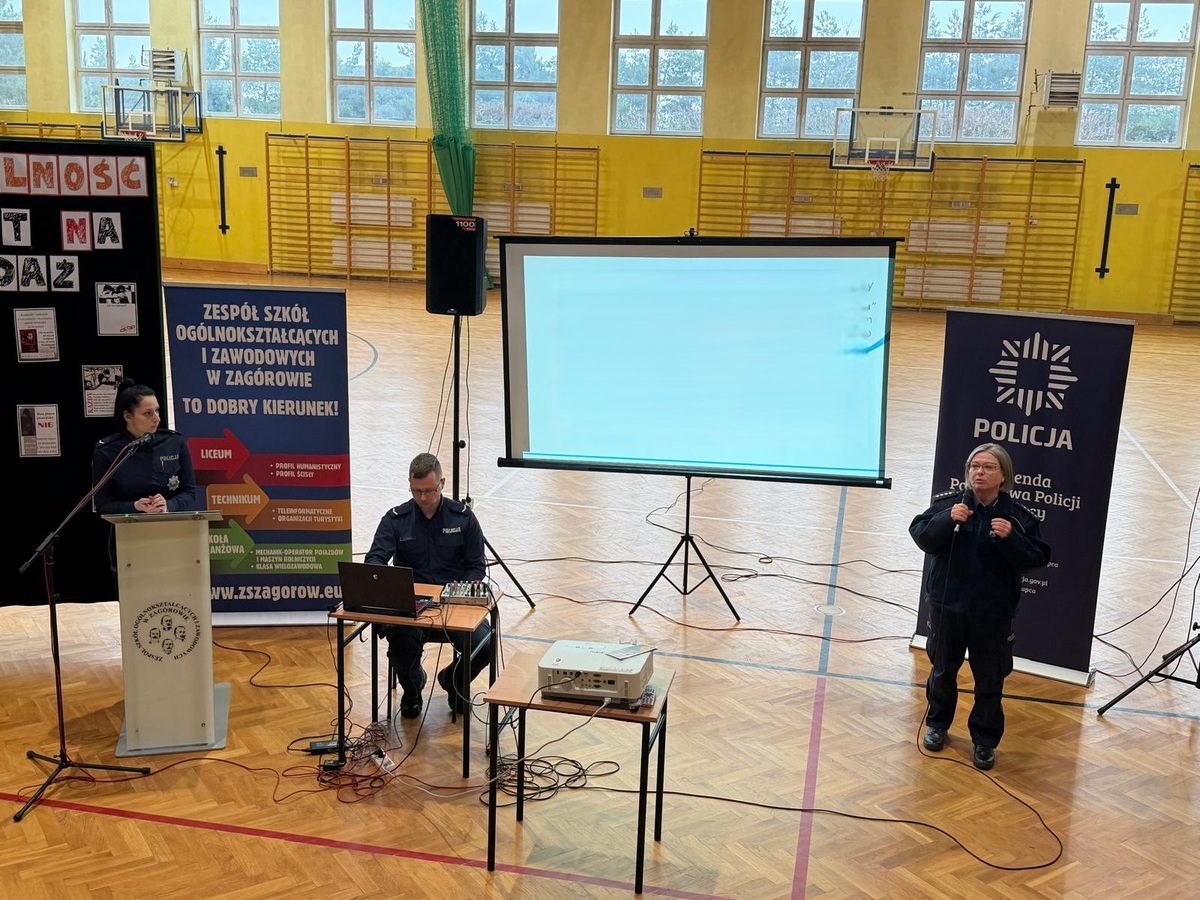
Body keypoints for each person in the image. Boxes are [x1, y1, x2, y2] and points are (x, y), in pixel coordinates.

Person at [909, 442, 1050, 771]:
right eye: (974, 466)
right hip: (947, 608)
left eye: (988, 467)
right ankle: (937, 724)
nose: (979, 472)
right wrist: (946, 520)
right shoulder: (948, 506)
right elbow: (922, 538)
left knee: (990, 679)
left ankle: (984, 740)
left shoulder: (1019, 518)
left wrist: (1012, 538)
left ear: (1004, 476)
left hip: (993, 615)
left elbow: (1038, 558)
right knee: (943, 672)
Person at [365, 453, 491, 719]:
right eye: (417, 491)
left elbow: (477, 566)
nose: (423, 497)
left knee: (486, 644)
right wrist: (388, 585)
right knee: (401, 648)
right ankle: (413, 689)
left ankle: (454, 680)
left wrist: (457, 592)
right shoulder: (395, 519)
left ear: (442, 484)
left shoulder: (463, 518)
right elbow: (374, 560)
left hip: (454, 604)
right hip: (412, 607)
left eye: (429, 491)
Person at [92, 380, 196, 515]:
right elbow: (102, 505)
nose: (157, 419)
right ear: (128, 416)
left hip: (169, 521)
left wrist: (168, 505)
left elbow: (189, 492)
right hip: (128, 524)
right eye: (148, 413)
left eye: (157, 411)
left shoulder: (174, 442)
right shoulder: (107, 450)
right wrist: (135, 506)